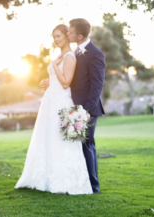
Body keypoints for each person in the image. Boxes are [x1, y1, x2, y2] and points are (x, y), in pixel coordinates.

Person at [14, 24, 93, 195]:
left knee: (61, 141)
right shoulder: (59, 56)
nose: (56, 40)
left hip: (61, 103)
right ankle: (45, 178)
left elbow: (65, 82)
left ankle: (64, 180)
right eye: (54, 37)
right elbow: (57, 80)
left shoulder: (70, 57)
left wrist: (54, 67)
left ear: (67, 35)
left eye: (58, 36)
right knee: (48, 139)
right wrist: (47, 82)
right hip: (50, 101)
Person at [39, 18, 105, 194]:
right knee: (76, 147)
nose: (67, 34)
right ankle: (80, 183)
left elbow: (97, 85)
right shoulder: (76, 52)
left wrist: (87, 110)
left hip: (86, 108)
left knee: (87, 144)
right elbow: (70, 77)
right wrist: (50, 82)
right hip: (72, 105)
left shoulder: (95, 54)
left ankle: (93, 187)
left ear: (79, 35)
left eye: (70, 32)